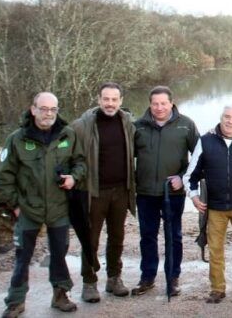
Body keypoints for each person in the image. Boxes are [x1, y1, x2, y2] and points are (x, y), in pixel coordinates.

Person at [0, 92, 86, 318]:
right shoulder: (17, 139)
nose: (48, 114)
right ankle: (15, 301)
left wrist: (74, 178)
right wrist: (15, 205)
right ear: (33, 109)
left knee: (59, 254)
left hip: (58, 208)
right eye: (43, 109)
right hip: (28, 209)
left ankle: (60, 295)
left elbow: (81, 163)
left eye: (53, 109)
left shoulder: (68, 135)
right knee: (22, 257)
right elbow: (3, 176)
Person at [185, 105, 232, 304]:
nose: (230, 121)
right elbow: (191, 174)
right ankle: (217, 289)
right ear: (221, 118)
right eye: (227, 117)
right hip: (215, 207)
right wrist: (193, 196)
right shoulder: (205, 141)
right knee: (215, 249)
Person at [71, 82, 137, 302]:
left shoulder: (128, 123)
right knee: (90, 240)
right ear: (98, 100)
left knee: (117, 237)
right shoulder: (82, 126)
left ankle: (114, 278)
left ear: (121, 101)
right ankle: (89, 282)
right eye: (106, 99)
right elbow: (68, 154)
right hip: (94, 193)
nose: (110, 103)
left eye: (114, 99)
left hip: (121, 191)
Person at [132, 86, 200, 297]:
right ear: (150, 104)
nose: (159, 108)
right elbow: (126, 156)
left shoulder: (186, 125)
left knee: (173, 236)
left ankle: (173, 278)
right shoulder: (138, 127)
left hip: (173, 193)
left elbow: (199, 157)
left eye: (163, 103)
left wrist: (183, 177)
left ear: (171, 103)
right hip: (145, 192)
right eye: (155, 104)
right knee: (147, 236)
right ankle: (147, 277)